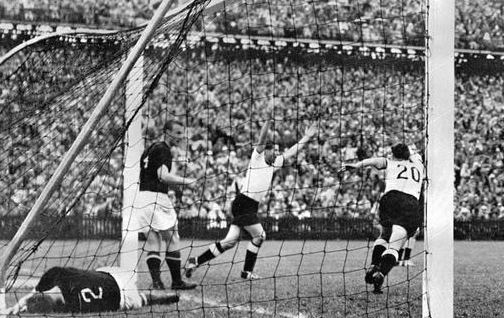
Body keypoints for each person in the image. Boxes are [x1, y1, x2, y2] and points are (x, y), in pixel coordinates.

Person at [185, 120, 317, 281]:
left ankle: (194, 261)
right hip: (244, 203)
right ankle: (246, 272)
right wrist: (268, 122)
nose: (276, 153)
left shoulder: (273, 164)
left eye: (276, 151)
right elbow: (261, 140)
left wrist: (306, 137)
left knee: (229, 242)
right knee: (260, 235)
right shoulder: (257, 158)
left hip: (249, 206)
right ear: (265, 151)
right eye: (273, 150)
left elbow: (291, 151)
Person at [343, 142, 424, 294]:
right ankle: (381, 273)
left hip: (390, 199)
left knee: (385, 235)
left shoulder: (391, 162)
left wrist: (356, 165)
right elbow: (415, 156)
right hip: (411, 202)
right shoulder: (419, 165)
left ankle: (374, 264)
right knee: (395, 244)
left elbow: (375, 161)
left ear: (394, 155)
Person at [134, 119, 198, 290]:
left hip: (143, 198)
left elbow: (154, 176)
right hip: (157, 198)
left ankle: (157, 283)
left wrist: (176, 188)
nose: (181, 136)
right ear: (167, 132)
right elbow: (162, 175)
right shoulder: (163, 149)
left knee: (153, 240)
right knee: (172, 239)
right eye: (177, 133)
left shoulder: (150, 149)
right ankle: (177, 282)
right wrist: (187, 182)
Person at [6, 266, 179, 315]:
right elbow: (40, 287)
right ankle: (157, 296)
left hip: (124, 300)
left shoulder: (72, 307)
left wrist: (25, 305)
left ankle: (151, 298)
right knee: (95, 272)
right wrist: (23, 301)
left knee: (142, 299)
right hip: (116, 275)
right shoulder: (60, 274)